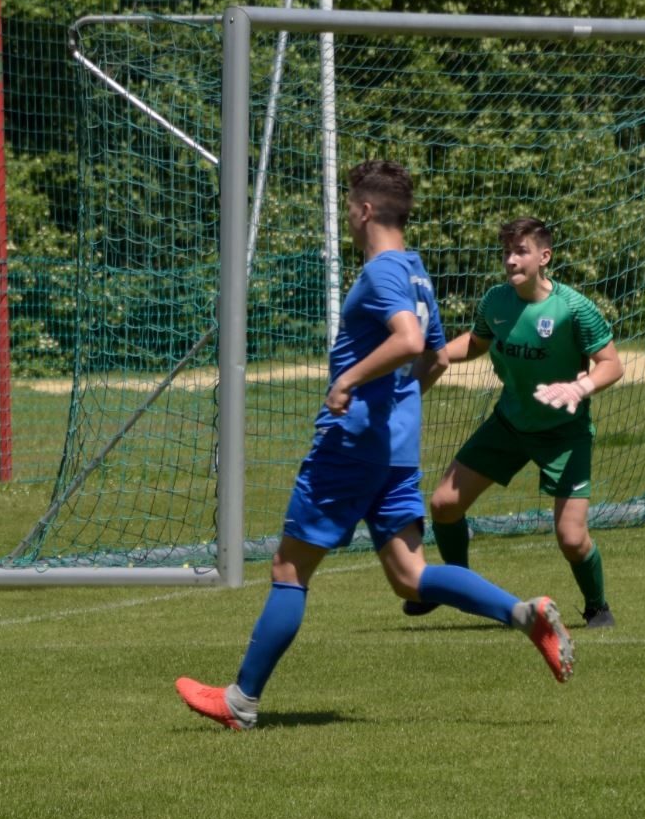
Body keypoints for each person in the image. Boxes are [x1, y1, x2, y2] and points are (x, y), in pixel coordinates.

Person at [175, 161, 575, 731]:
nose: (346, 217)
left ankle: (240, 702)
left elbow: (408, 341)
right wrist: (397, 402)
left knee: (289, 568)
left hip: (349, 445)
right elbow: (435, 358)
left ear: (364, 210)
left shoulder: (383, 270)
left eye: (348, 207)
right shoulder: (416, 273)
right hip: (395, 449)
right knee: (410, 576)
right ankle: (522, 613)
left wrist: (349, 381)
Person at [402, 216, 624, 629]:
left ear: (544, 256)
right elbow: (477, 342)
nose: (510, 260)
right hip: (509, 424)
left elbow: (611, 364)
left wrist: (580, 388)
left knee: (572, 538)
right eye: (506, 252)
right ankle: (458, 588)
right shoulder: (495, 301)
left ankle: (597, 606)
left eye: (520, 251)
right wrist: (436, 352)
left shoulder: (575, 308)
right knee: (444, 505)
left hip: (564, 434)